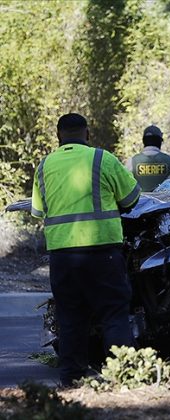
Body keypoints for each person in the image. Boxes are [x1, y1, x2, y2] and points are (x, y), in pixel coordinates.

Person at [31, 113, 141, 387]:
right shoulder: (102, 159)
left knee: (70, 318)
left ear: (58, 136)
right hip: (102, 252)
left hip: (63, 258)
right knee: (113, 314)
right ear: (87, 134)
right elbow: (132, 198)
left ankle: (71, 380)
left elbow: (37, 211)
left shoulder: (44, 166)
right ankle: (122, 377)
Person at [125, 124, 170, 192]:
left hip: (139, 202)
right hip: (165, 201)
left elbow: (123, 184)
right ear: (160, 141)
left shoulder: (131, 162)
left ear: (143, 141)